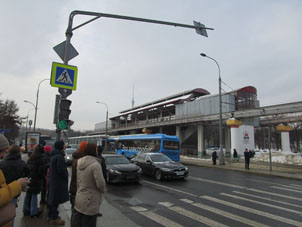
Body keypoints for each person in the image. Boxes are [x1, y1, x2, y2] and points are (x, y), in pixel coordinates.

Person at [0, 134, 30, 227]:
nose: (3, 155)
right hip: (13, 193)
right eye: (3, 151)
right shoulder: (22, 163)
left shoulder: (2, 163)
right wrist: (18, 184)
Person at [73, 143, 106, 227]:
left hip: (80, 197)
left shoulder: (79, 162)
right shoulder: (95, 165)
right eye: (96, 149)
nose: (97, 151)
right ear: (93, 151)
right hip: (90, 200)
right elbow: (100, 184)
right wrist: (103, 190)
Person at [48, 140, 69, 225]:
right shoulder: (59, 157)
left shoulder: (54, 155)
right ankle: (55, 218)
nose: (65, 146)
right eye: (64, 145)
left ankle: (51, 216)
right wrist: (65, 176)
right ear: (61, 146)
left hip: (54, 180)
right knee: (55, 200)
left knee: (53, 199)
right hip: (58, 182)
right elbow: (61, 170)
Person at [22, 144, 46, 218]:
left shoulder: (31, 157)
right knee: (34, 195)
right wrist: (42, 177)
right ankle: (33, 212)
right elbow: (41, 171)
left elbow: (26, 168)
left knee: (28, 194)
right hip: (36, 179)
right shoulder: (41, 159)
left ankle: (25, 210)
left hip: (29, 178)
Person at [69, 141, 87, 225]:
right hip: (78, 190)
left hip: (74, 189)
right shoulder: (80, 161)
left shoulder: (75, 160)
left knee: (74, 211)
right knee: (77, 213)